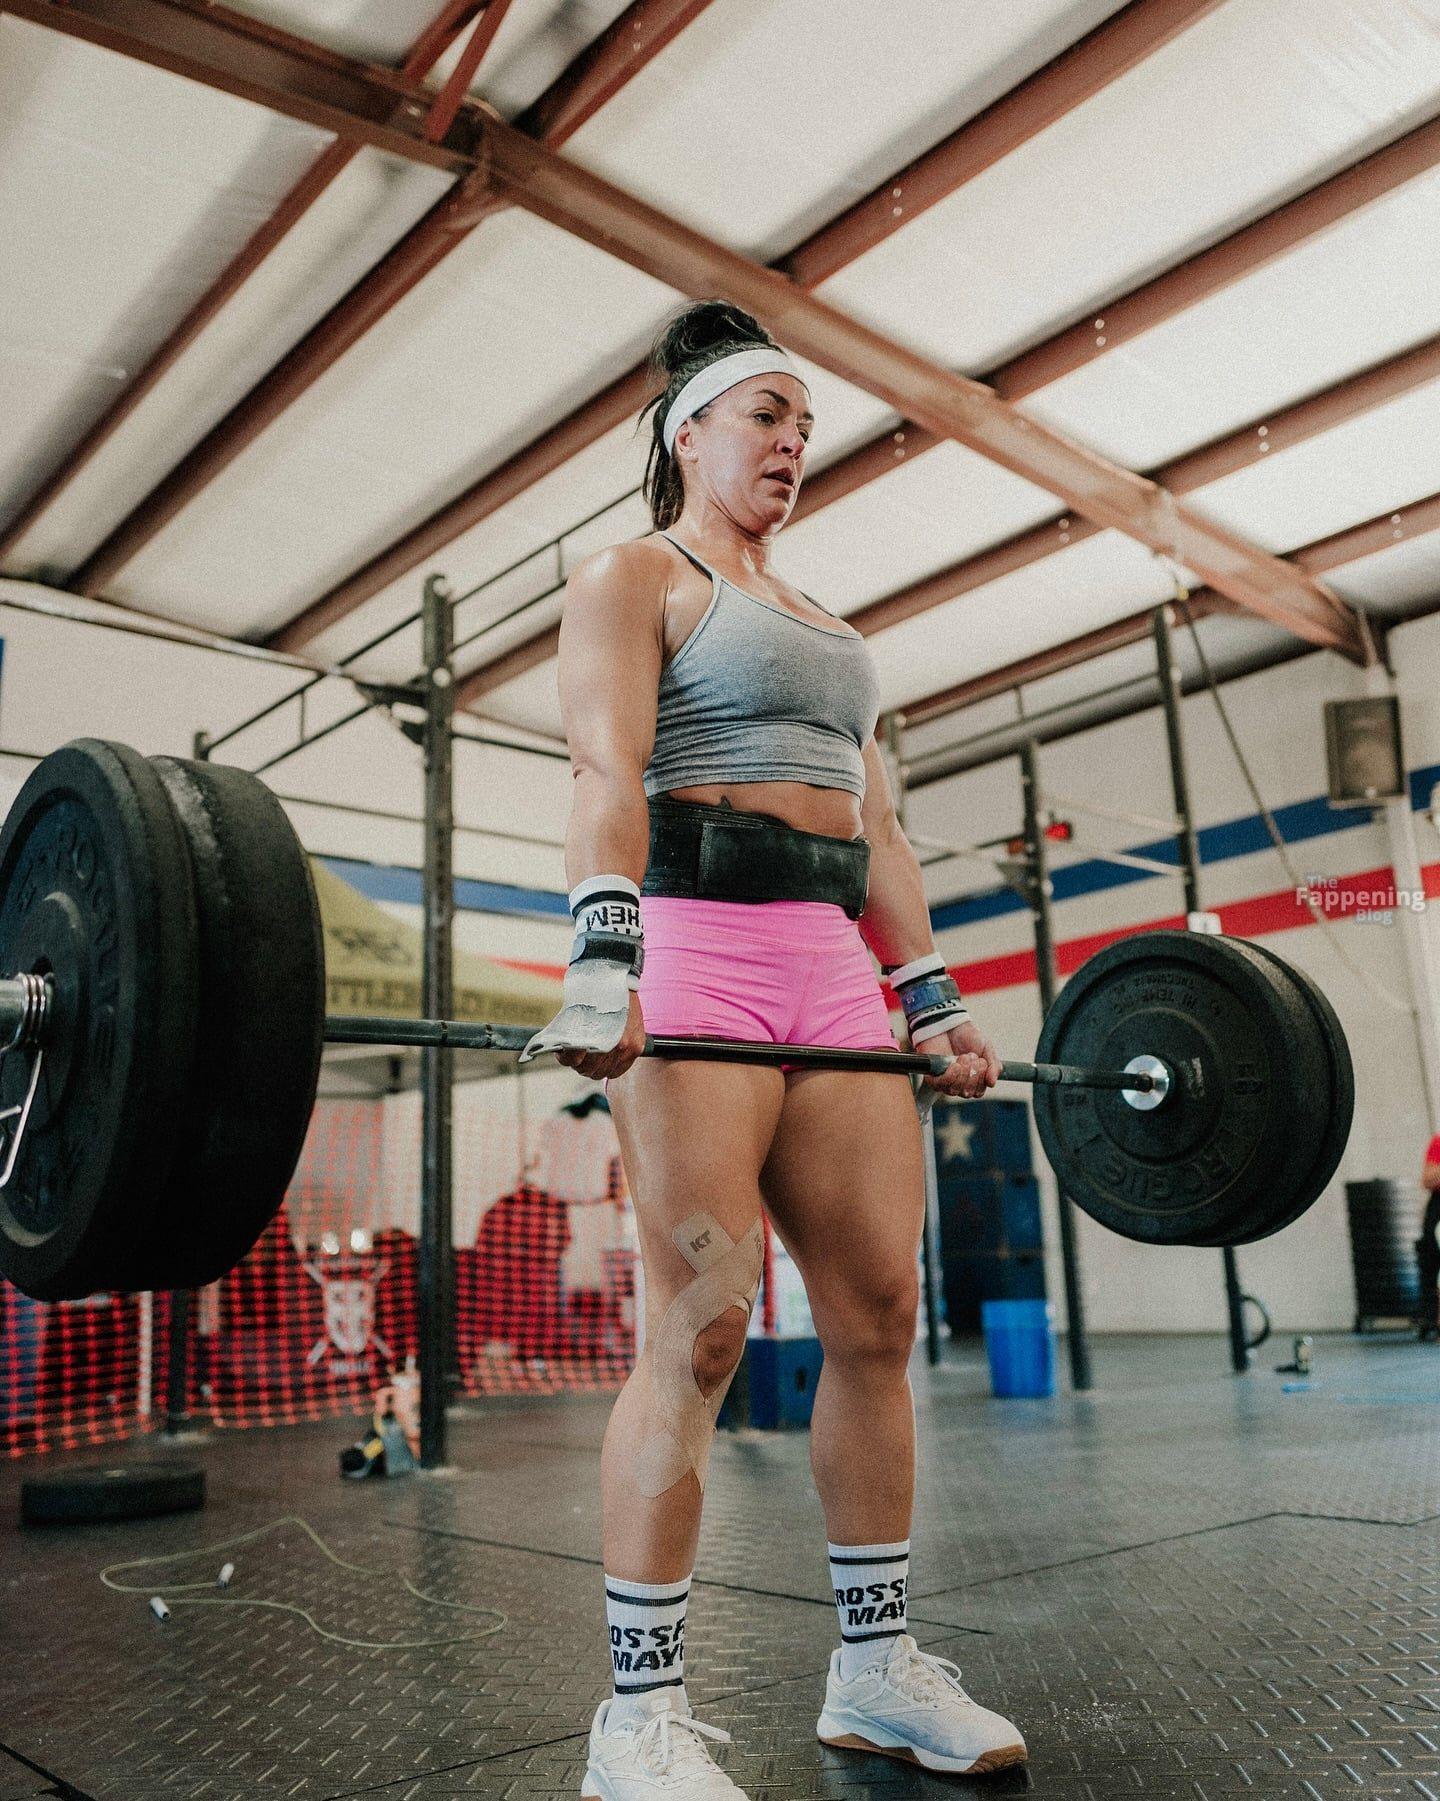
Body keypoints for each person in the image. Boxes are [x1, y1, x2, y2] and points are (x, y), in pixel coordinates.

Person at [529, 300, 1027, 1796]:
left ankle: (874, 1672)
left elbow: (880, 834)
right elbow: (606, 764)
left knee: (878, 1314)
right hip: (695, 953)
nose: (795, 442)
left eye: (807, 426)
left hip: (828, 971)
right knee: (704, 1319)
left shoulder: (835, 635)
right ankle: (637, 1721)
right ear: (693, 431)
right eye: (769, 416)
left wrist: (931, 996)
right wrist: (603, 953)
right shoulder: (636, 576)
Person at [1418, 1131, 1440, 1341]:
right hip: (1438, 1206)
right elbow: (1427, 1179)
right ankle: (1432, 1319)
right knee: (1431, 1258)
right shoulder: (1438, 1143)